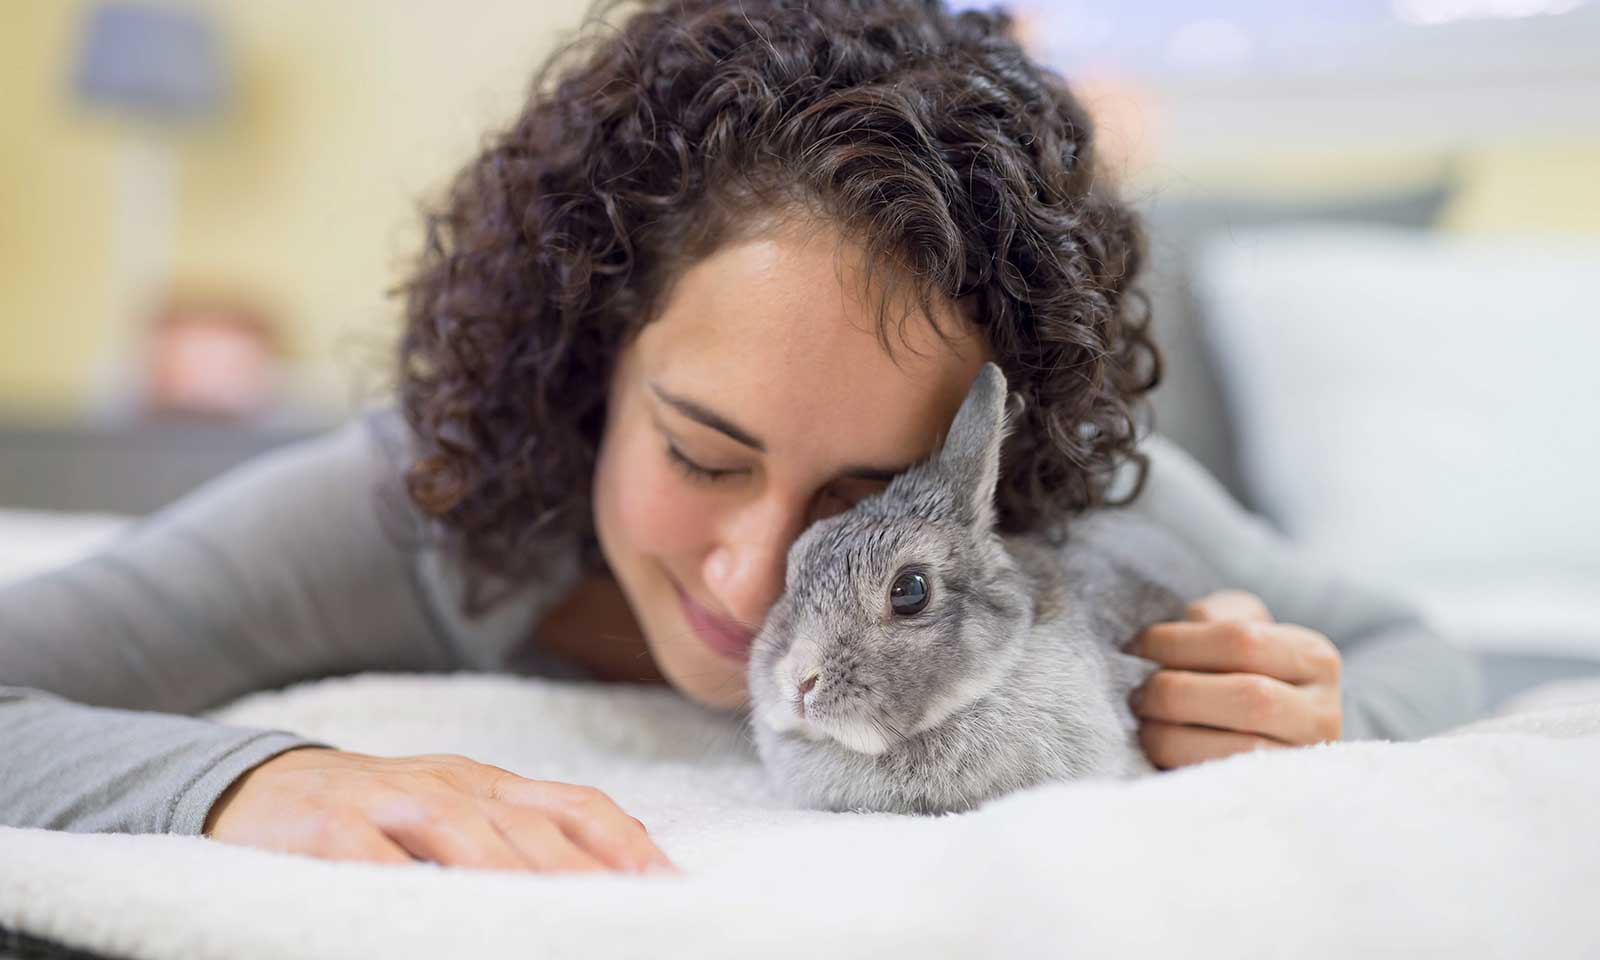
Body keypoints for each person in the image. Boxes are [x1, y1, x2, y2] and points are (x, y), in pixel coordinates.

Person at [0, 0, 1484, 876]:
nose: (756, 573)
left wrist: (1320, 711)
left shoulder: (1074, 524)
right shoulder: (416, 509)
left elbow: (1424, 652)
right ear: (593, 354)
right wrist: (262, 782)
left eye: (863, 497)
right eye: (705, 454)